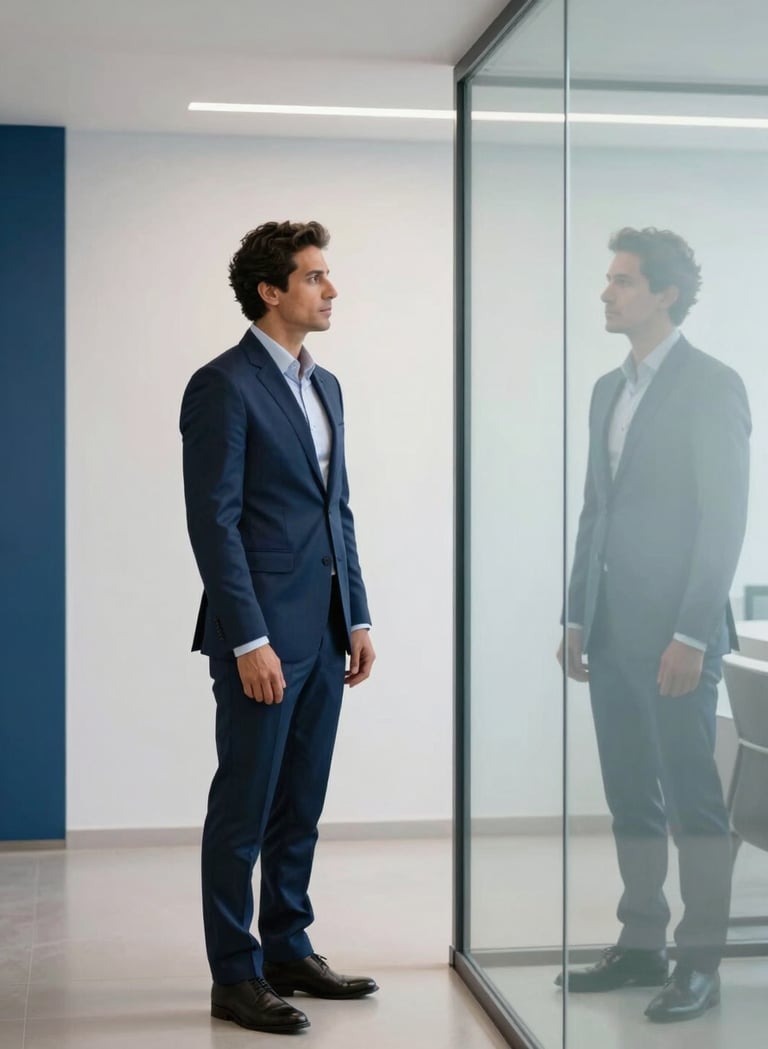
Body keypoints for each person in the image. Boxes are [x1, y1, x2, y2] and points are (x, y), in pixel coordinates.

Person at [180, 220, 378, 1035]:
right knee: (245, 806)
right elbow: (214, 523)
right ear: (272, 290)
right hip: (261, 636)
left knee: (301, 801)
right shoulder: (222, 385)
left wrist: (358, 613)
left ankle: (287, 945)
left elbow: (339, 510)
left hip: (326, 632)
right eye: (315, 276)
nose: (331, 290)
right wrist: (248, 638)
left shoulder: (325, 386)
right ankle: (235, 974)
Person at [557, 227, 750, 1023]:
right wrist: (576, 613)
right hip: (609, 629)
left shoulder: (712, 384)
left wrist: (693, 635)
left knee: (691, 804)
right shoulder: (610, 388)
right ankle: (641, 943)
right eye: (609, 280)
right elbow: (595, 510)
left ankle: (698, 964)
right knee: (630, 796)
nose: (607, 292)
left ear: (665, 294)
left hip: (680, 635)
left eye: (624, 281)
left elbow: (723, 519)